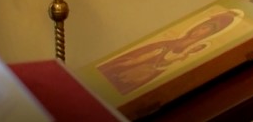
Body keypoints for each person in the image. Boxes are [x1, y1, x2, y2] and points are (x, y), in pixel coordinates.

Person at [96, 10, 240, 95]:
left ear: (209, 34)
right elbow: (141, 53)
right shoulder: (167, 42)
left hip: (150, 73)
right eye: (201, 27)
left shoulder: (194, 49)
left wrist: (160, 63)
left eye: (205, 30)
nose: (198, 30)